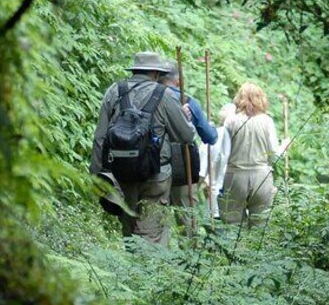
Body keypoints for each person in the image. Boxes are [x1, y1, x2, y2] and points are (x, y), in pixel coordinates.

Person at [90, 52, 196, 246]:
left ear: (135, 70)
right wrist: (185, 119)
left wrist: (99, 174)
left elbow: (100, 138)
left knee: (130, 234)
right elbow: (186, 137)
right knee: (152, 237)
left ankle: (133, 273)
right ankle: (149, 273)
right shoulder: (164, 95)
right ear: (156, 73)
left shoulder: (114, 92)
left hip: (122, 175)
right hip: (157, 176)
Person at [221, 82, 287, 226]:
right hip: (261, 177)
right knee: (260, 224)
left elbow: (223, 153)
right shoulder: (267, 121)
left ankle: (235, 248)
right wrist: (285, 146)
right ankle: (255, 248)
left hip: (234, 176)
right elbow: (274, 155)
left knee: (232, 223)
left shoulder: (230, 121)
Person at [159, 62, 218, 211]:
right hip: (182, 166)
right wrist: (211, 127)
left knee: (154, 215)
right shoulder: (187, 101)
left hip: (154, 165)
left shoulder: (148, 97)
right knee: (186, 217)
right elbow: (210, 137)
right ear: (178, 80)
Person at [198, 103, 235, 219]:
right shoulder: (216, 134)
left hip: (216, 191)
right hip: (232, 193)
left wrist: (201, 182)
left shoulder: (214, 134)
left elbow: (202, 167)